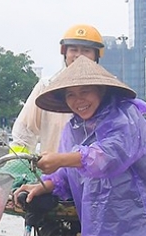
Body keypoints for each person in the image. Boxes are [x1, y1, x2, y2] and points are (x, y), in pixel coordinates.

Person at [14, 57, 146, 236]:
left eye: (85, 91)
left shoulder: (125, 117)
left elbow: (107, 157)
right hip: (102, 230)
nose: (78, 101)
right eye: (71, 95)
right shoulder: (73, 128)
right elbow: (68, 174)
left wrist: (60, 159)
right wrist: (44, 184)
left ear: (101, 91)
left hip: (143, 222)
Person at [8, 23, 105, 155]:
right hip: (52, 173)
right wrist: (17, 163)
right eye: (73, 49)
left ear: (96, 56)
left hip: (96, 171)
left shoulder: (108, 90)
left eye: (86, 50)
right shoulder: (47, 86)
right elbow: (24, 131)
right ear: (65, 53)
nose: (79, 55)